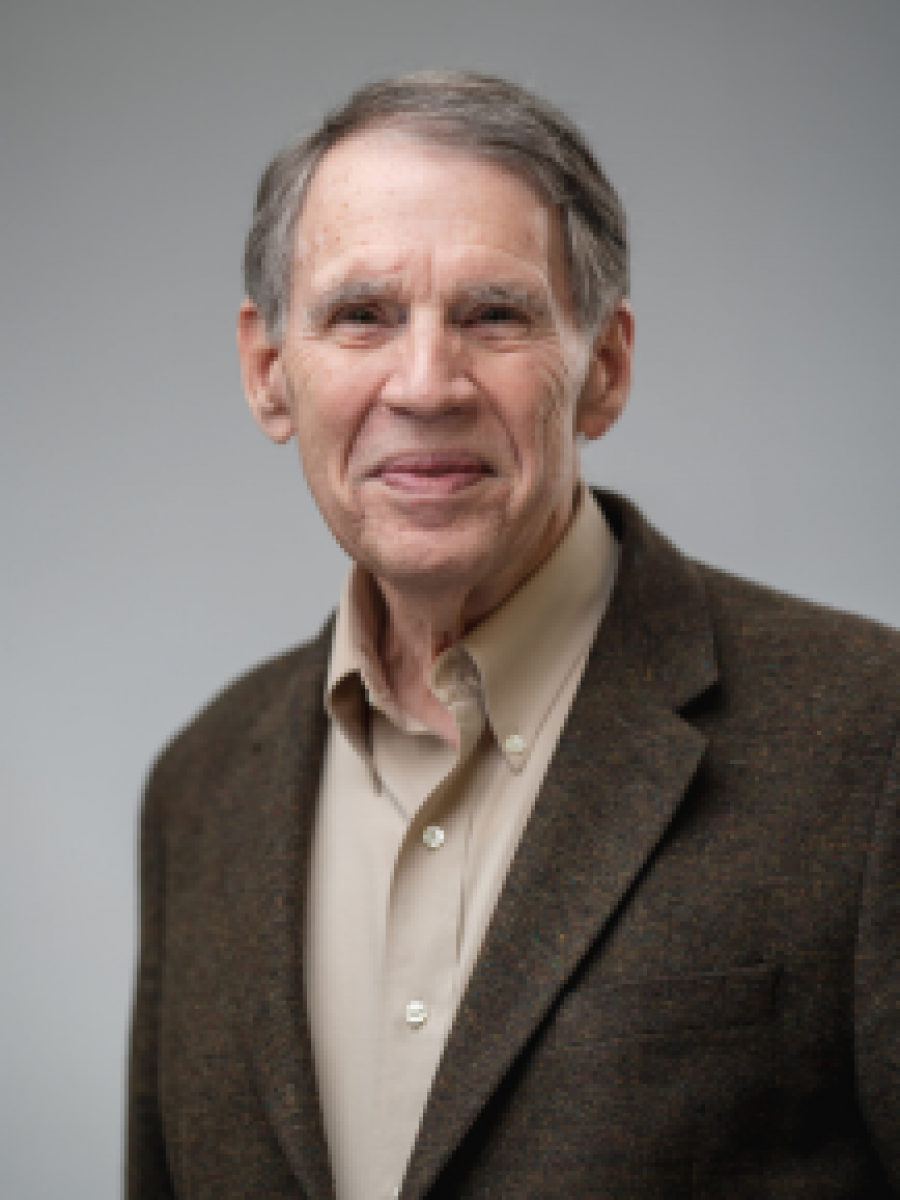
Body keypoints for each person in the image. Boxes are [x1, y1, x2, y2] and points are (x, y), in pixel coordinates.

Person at [126, 71, 900, 1199]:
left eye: (494, 315)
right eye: (361, 315)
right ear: (267, 372)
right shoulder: (196, 791)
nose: (426, 384)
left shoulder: (870, 741)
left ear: (605, 369)